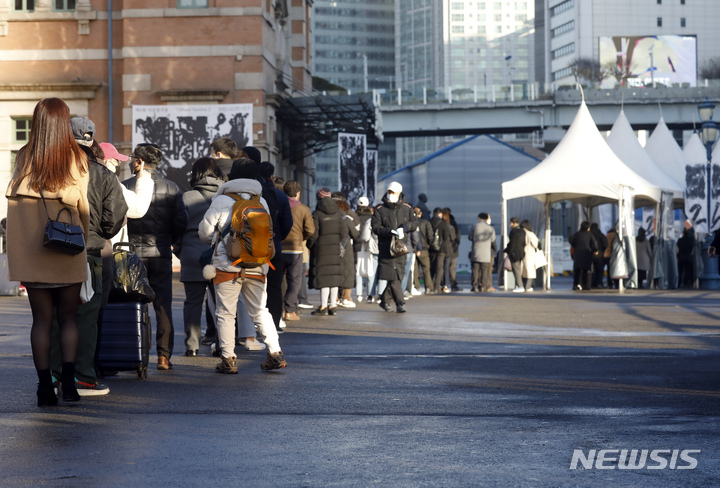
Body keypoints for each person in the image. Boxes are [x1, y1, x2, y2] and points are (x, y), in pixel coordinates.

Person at [5, 98, 90, 406]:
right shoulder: (77, 158)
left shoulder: (24, 156)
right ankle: (69, 385)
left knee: (40, 320)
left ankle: (44, 388)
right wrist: (84, 234)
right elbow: (84, 207)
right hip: (67, 248)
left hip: (33, 252)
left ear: (38, 121)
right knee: (69, 318)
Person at [46, 122, 129, 398]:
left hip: (53, 250)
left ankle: (55, 371)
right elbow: (115, 216)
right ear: (91, 141)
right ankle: (83, 376)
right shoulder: (103, 175)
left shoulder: (50, 171)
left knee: (55, 315)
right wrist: (99, 233)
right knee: (86, 316)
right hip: (90, 252)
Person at [198, 159, 286, 372]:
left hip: (227, 266)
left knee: (226, 313)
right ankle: (275, 352)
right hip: (257, 264)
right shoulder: (261, 202)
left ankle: (228, 359)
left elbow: (205, 232)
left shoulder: (221, 201)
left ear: (230, 178)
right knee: (260, 311)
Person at [122, 143, 188, 370]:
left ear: (139, 160)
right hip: (160, 252)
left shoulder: (126, 186)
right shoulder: (172, 188)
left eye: (132, 158)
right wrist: (170, 240)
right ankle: (163, 356)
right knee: (163, 305)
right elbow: (181, 220)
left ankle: (135, 355)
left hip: (131, 255)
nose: (130, 161)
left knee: (132, 304)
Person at [175, 158, 225, 357]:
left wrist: (180, 250)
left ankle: (192, 346)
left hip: (191, 253)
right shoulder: (225, 196)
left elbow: (177, 227)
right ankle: (222, 344)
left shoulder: (187, 197)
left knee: (192, 302)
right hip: (219, 254)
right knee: (221, 303)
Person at [372, 181, 418, 312]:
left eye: (394, 193)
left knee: (397, 275)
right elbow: (375, 227)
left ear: (399, 194)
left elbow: (414, 223)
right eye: (389, 192)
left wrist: (405, 227)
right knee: (392, 276)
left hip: (401, 247)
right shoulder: (380, 209)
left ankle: (384, 300)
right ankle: (400, 302)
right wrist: (389, 231)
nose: (391, 195)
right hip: (386, 247)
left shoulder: (407, 208)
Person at [257, 161, 293, 331]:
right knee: (275, 287)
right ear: (272, 176)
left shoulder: (254, 194)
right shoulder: (280, 196)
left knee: (252, 286)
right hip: (275, 247)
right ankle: (275, 323)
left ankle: (251, 326)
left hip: (253, 248)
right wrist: (278, 238)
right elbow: (287, 223)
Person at [307, 188, 347, 316]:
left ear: (319, 199)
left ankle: (323, 306)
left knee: (324, 278)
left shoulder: (317, 214)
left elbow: (314, 234)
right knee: (334, 277)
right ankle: (333, 306)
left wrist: (310, 245)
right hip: (335, 248)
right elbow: (343, 233)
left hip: (321, 249)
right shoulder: (338, 214)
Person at [280, 180, 315, 321]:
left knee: (279, 281)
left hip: (279, 248)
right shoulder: (304, 209)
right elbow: (310, 230)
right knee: (295, 281)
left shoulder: (279, 206)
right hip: (295, 249)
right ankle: (290, 311)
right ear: (298, 193)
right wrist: (301, 238)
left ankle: (279, 310)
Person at [333, 191, 362, 308]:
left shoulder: (330, 217)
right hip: (346, 248)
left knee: (334, 273)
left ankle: (333, 298)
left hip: (332, 247)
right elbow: (356, 234)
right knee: (348, 273)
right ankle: (346, 298)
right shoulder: (348, 218)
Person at [469, 212, 496, 293]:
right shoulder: (490, 228)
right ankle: (482, 286)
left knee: (475, 269)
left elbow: (470, 237)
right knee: (485, 270)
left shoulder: (474, 226)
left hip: (476, 252)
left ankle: (474, 285)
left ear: (479, 218)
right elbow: (492, 240)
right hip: (486, 253)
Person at [355, 197, 375, 301]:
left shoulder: (354, 216)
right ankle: (370, 295)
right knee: (369, 270)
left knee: (358, 271)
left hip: (356, 246)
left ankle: (359, 294)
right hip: (369, 246)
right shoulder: (372, 217)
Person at [569, 221, 598, 291]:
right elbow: (594, 243)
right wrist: (595, 250)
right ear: (588, 228)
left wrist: (575, 245)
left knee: (577, 271)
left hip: (577, 255)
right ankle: (586, 286)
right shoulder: (589, 235)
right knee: (586, 271)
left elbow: (570, 240)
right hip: (586, 255)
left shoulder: (577, 234)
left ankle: (576, 285)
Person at [429, 207, 452, 294]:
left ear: (433, 214)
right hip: (441, 249)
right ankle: (436, 286)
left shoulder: (429, 222)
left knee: (431, 267)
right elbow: (446, 237)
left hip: (431, 249)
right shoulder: (443, 224)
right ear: (441, 214)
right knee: (439, 268)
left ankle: (429, 286)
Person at [413, 206, 435, 294]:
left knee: (415, 269)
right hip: (424, 249)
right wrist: (429, 244)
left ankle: (415, 286)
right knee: (426, 269)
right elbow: (430, 235)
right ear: (420, 213)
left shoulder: (411, 223)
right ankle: (428, 287)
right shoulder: (425, 223)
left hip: (413, 249)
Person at [505, 217, 526, 293]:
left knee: (516, 270)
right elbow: (524, 243)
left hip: (514, 254)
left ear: (511, 223)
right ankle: (518, 285)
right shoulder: (523, 231)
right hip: (521, 253)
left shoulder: (513, 231)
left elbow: (512, 243)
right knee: (518, 269)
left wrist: (509, 251)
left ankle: (520, 286)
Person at [445, 207, 462, 291]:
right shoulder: (453, 222)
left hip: (444, 248)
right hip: (453, 248)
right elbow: (457, 235)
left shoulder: (443, 222)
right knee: (452, 267)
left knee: (444, 267)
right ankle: (453, 284)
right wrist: (456, 243)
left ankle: (444, 284)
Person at [520, 220, 539, 292]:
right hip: (529, 254)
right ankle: (528, 287)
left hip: (521, 254)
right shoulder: (530, 234)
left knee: (522, 272)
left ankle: (522, 286)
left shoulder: (521, 232)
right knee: (529, 272)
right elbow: (535, 244)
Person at [589, 223, 608, 289]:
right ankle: (599, 283)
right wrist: (602, 249)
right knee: (600, 270)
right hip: (599, 254)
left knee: (592, 270)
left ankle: (592, 284)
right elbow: (606, 243)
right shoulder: (600, 234)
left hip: (590, 254)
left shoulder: (589, 234)